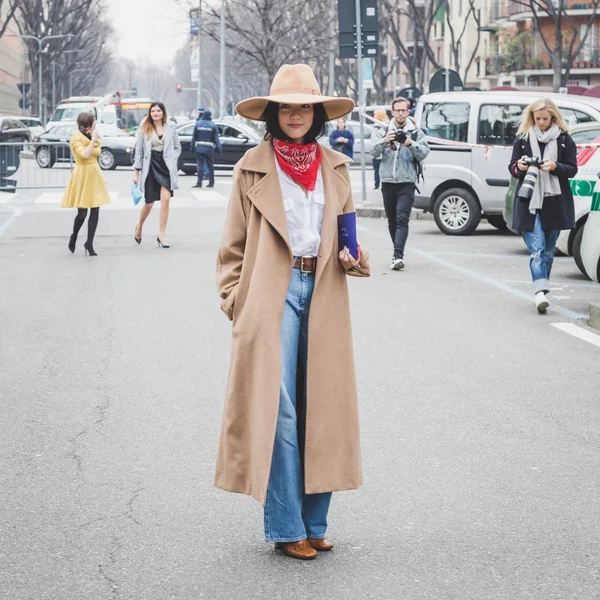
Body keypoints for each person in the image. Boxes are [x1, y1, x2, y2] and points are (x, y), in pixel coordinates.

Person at [215, 63, 370, 561]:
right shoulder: (251, 167)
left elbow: (348, 238)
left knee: (320, 405)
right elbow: (231, 248)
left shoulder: (337, 167)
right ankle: (286, 527)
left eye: (304, 106)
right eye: (287, 106)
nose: (296, 114)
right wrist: (235, 299)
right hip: (269, 293)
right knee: (278, 408)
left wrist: (356, 259)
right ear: (274, 113)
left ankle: (316, 522)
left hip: (322, 287)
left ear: (317, 113)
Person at [509, 99, 577, 314]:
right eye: (537, 119)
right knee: (536, 249)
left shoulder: (565, 140)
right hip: (529, 200)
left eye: (545, 119)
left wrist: (555, 166)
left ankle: (542, 286)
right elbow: (512, 168)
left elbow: (572, 169)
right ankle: (539, 291)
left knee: (548, 251)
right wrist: (519, 166)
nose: (541, 123)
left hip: (555, 200)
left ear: (553, 117)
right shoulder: (522, 139)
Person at [371, 97, 430, 270]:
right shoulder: (383, 130)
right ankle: (397, 252)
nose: (401, 113)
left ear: (408, 111)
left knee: (402, 218)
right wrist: (384, 141)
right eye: (398, 110)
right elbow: (372, 152)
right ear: (392, 111)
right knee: (392, 222)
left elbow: (424, 152)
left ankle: (398, 255)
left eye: (404, 110)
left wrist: (410, 143)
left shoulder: (415, 132)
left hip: (407, 182)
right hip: (388, 182)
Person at [61, 111, 111, 256]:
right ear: (86, 124)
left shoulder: (93, 136)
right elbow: (85, 155)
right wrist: (93, 140)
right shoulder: (76, 138)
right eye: (93, 122)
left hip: (94, 174)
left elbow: (95, 157)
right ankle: (74, 235)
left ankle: (89, 243)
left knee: (95, 209)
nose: (96, 124)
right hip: (82, 175)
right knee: (82, 213)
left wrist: (102, 177)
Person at [133, 102, 181, 248]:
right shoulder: (145, 127)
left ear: (163, 112)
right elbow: (139, 151)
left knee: (165, 201)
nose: (155, 113)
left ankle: (161, 235)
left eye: (158, 110)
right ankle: (139, 226)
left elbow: (177, 147)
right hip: (150, 166)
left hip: (166, 167)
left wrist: (173, 158)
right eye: (153, 111)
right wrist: (137, 173)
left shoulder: (171, 127)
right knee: (149, 203)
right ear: (150, 113)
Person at [190, 108, 222, 188]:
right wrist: (219, 149)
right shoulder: (213, 125)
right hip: (209, 149)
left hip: (199, 148)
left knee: (200, 166)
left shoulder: (198, 124)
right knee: (210, 166)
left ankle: (199, 183)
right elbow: (216, 139)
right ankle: (211, 183)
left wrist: (192, 148)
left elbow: (194, 137)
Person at [371, 109, 388, 190]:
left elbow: (374, 142)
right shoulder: (388, 125)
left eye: (375, 115)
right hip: (384, 153)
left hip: (378, 154)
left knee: (377, 170)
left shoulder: (377, 127)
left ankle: (377, 184)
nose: (374, 117)